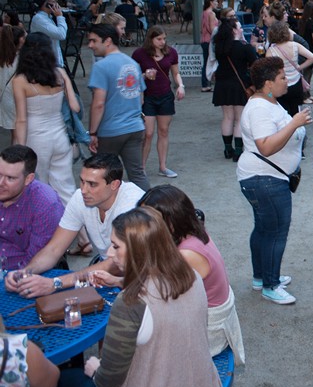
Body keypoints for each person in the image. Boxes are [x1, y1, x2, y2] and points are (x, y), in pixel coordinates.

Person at [52, 207, 224, 387]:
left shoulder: (130, 303)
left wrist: (96, 369)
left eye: (116, 246)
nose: (108, 253)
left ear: (139, 250)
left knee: (65, 380)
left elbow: (109, 380)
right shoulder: (191, 276)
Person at [5, 154, 144, 298]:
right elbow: (54, 248)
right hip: (105, 270)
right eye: (82, 181)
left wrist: (55, 283)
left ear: (114, 185)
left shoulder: (132, 206)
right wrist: (25, 273)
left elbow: (115, 264)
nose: (83, 190)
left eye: (92, 184)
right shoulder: (80, 197)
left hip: (138, 278)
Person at [136, 185, 245, 363]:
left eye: (148, 220)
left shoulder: (186, 254)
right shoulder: (192, 233)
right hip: (208, 317)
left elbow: (158, 295)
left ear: (170, 221)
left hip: (206, 333)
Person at [237, 58, 310, 304]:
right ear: (268, 83)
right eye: (281, 77)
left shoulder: (269, 102)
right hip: (265, 179)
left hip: (266, 178)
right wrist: (295, 124)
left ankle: (262, 277)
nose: (286, 80)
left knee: (264, 229)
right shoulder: (260, 108)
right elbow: (265, 146)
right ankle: (271, 284)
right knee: (276, 233)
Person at [12, 33, 80, 204]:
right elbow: (75, 107)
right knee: (65, 186)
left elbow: (21, 119)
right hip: (60, 136)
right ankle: (76, 226)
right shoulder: (60, 73)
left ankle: (45, 223)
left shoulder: (20, 80)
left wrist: (19, 147)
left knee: (38, 186)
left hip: (36, 137)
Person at [86, 23, 150, 190]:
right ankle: (150, 211)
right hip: (135, 127)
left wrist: (92, 132)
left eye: (94, 41)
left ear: (107, 41)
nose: (90, 45)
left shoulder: (101, 66)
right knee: (137, 174)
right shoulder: (132, 63)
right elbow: (141, 98)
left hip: (111, 131)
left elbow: (98, 104)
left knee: (104, 175)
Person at [131, 27, 184, 179]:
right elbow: (132, 77)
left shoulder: (171, 52)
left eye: (164, 38)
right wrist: (144, 75)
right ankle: (141, 168)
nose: (162, 42)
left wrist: (180, 85)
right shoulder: (139, 54)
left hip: (165, 95)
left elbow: (175, 72)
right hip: (147, 96)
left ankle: (163, 166)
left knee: (164, 131)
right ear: (151, 39)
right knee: (147, 133)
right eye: (159, 39)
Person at [0, 145, 64, 270]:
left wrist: (17, 278)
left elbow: (39, 258)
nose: (1, 183)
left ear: (28, 179)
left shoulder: (46, 205)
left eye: (10, 178)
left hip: (22, 270)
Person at [214, 17, 258, 161]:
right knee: (239, 119)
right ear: (234, 31)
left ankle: (228, 149)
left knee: (227, 117)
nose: (241, 29)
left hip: (222, 83)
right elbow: (255, 64)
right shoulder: (244, 48)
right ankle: (238, 151)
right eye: (239, 27)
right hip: (239, 85)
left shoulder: (220, 47)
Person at [267, 20, 313, 117]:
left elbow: (269, 71)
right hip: (296, 83)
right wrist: (299, 67)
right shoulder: (295, 45)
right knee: (296, 111)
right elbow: (312, 57)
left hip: (280, 84)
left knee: (282, 112)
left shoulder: (271, 51)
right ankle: (297, 129)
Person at [0, 26, 26, 142]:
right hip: (16, 98)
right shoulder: (21, 59)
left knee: (14, 133)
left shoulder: (4, 57)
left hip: (6, 98)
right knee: (18, 134)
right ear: (20, 40)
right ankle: (15, 158)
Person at [31, 0, 68, 67]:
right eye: (54, 2)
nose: (57, 4)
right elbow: (61, 34)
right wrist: (60, 17)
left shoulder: (48, 17)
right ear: (46, 4)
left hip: (53, 61)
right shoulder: (39, 19)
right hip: (45, 63)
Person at [199, 0, 220, 92]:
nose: (217, 3)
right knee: (209, 62)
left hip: (203, 40)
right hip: (209, 41)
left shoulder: (204, 13)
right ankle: (206, 83)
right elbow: (212, 29)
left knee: (206, 62)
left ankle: (205, 83)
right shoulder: (211, 13)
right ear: (211, 2)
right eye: (215, 1)